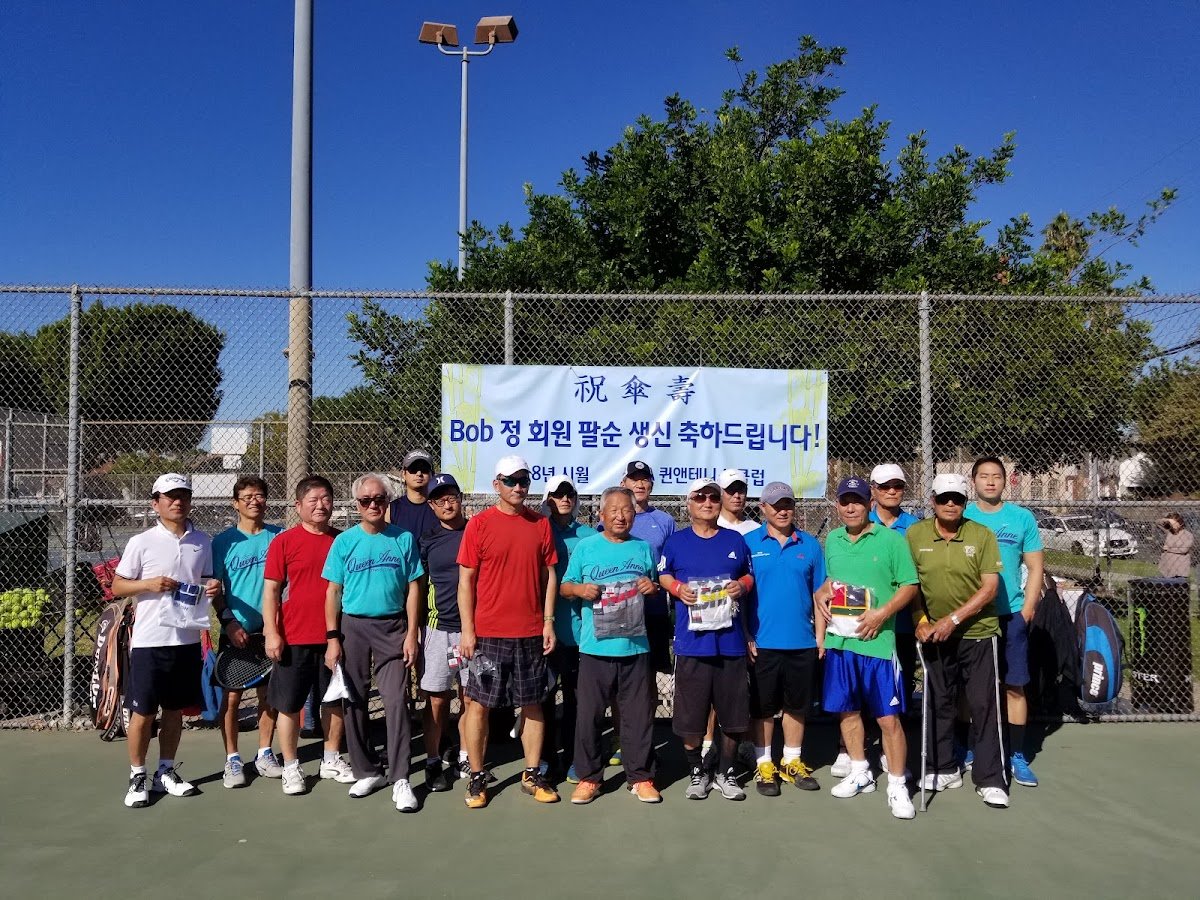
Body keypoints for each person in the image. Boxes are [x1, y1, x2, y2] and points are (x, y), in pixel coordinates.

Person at [112, 473, 221, 808]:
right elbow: (117, 587)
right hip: (149, 642)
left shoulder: (202, 541)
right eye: (170, 496)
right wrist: (148, 584)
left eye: (184, 496)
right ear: (155, 502)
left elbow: (205, 581)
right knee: (143, 713)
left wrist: (214, 587)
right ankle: (137, 776)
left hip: (186, 641)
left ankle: (165, 772)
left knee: (174, 711)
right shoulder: (141, 542)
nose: (178, 502)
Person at [457, 455, 560, 808]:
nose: (519, 487)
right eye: (512, 480)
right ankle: (476, 776)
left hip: (531, 634)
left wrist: (547, 622)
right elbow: (466, 581)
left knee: (534, 704)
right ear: (496, 483)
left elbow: (551, 577)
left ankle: (532, 774)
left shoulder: (540, 525)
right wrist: (468, 630)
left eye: (525, 480)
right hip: (488, 635)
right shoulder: (479, 525)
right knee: (479, 707)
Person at [817, 476, 919, 820]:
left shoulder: (890, 540)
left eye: (857, 501)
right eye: (845, 501)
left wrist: (882, 614)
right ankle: (860, 770)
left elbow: (909, 585)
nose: (850, 507)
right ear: (837, 505)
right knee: (847, 710)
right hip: (840, 643)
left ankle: (896, 785)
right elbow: (831, 583)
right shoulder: (831, 540)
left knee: (888, 719)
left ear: (868, 504)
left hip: (878, 646)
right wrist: (821, 592)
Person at [323, 473, 424, 811]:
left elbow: (414, 588)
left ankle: (400, 778)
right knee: (354, 700)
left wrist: (412, 632)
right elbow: (333, 591)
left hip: (393, 627)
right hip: (353, 627)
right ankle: (367, 770)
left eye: (379, 499)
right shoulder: (344, 542)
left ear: (387, 501)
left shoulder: (403, 539)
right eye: (366, 500)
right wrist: (333, 638)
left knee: (396, 701)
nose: (373, 505)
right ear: (357, 505)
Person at [907, 473, 1008, 809]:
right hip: (934, 634)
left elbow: (990, 588)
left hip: (978, 633)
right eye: (943, 498)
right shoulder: (915, 534)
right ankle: (942, 766)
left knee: (984, 705)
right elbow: (911, 585)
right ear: (932, 500)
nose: (950, 504)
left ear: (965, 502)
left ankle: (990, 778)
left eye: (957, 499)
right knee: (938, 701)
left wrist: (952, 620)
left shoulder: (981, 535)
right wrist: (921, 621)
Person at [561, 487, 662, 804]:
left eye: (627, 510)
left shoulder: (643, 549)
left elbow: (654, 585)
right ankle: (589, 778)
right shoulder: (586, 547)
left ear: (635, 514)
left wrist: (652, 587)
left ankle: (641, 777)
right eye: (614, 510)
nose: (621, 515)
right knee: (589, 715)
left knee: (638, 716)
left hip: (635, 648)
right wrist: (580, 589)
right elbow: (564, 587)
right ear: (601, 515)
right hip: (595, 648)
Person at [658, 477, 754, 801]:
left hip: (729, 643)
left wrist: (743, 585)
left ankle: (726, 772)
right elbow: (663, 574)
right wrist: (675, 588)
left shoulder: (735, 541)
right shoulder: (676, 542)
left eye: (714, 497)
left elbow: (749, 575)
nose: (708, 502)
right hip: (691, 643)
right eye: (700, 497)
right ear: (690, 504)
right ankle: (697, 772)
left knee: (734, 717)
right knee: (690, 718)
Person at [262, 475, 354, 796]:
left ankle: (330, 759)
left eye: (326, 498)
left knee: (334, 701)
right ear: (298, 505)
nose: (320, 505)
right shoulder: (283, 542)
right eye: (313, 500)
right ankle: (290, 767)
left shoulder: (343, 541)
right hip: (293, 638)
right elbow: (271, 590)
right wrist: (272, 631)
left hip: (334, 639)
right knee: (289, 705)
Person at [965, 456, 1045, 788]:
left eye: (996, 476)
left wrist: (1027, 609)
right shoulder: (963, 515)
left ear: (1005, 481)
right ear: (974, 482)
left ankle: (1016, 754)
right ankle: (970, 746)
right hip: (974, 616)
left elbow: (1036, 566)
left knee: (1015, 684)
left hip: (1010, 613)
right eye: (983, 476)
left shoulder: (1021, 518)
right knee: (970, 687)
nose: (990, 481)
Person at [743, 481, 825, 797]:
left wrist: (820, 639)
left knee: (796, 706)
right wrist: (747, 635)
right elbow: (742, 598)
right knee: (763, 708)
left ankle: (791, 760)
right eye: (775, 505)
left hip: (802, 642)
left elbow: (820, 595)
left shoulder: (810, 545)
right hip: (761, 643)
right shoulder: (749, 543)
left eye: (787, 504)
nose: (782, 510)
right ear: (762, 508)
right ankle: (764, 763)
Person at [211, 475, 284, 789]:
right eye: (248, 496)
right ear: (235, 503)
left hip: (270, 632)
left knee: (269, 696)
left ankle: (265, 752)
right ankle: (232, 759)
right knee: (231, 699)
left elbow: (287, 586)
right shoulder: (223, 542)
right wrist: (229, 622)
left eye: (260, 496)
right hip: (236, 632)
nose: (255, 501)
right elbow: (215, 590)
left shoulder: (279, 538)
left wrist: (275, 626)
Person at [607, 460, 676, 770]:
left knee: (646, 683)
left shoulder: (664, 521)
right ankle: (621, 742)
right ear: (624, 482)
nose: (639, 484)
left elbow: (670, 568)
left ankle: (644, 746)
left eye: (645, 479)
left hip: (652, 613)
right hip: (617, 615)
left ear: (651, 484)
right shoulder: (609, 521)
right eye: (634, 479)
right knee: (620, 682)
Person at [417, 473, 473, 791]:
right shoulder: (427, 540)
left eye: (452, 496)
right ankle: (433, 761)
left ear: (460, 498)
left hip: (473, 631)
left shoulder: (476, 531)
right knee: (437, 699)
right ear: (432, 505)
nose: (447, 503)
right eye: (440, 499)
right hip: (439, 631)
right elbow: (418, 586)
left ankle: (466, 757)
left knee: (471, 699)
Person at [540, 476, 596, 781]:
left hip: (581, 634)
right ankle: (546, 760)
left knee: (578, 702)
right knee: (544, 700)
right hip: (545, 634)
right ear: (547, 498)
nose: (564, 498)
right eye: (557, 493)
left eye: (569, 493)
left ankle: (577, 759)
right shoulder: (538, 530)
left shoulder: (588, 536)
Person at [388, 450, 438, 539]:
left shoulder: (440, 507)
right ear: (404, 474)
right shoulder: (391, 509)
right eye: (413, 469)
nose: (419, 474)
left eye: (424, 470)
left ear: (432, 474)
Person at [717, 468, 759, 536]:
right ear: (720, 492)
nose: (737, 495)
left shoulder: (756, 530)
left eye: (741, 490)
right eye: (731, 490)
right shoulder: (711, 527)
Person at [1157, 513, 1194, 578]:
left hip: (1180, 570)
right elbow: (1157, 522)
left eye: (1175, 523)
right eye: (1171, 523)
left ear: (1180, 522)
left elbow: (1184, 550)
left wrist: (1168, 549)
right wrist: (1169, 520)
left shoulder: (1188, 535)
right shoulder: (1169, 532)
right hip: (1166, 566)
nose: (1173, 525)